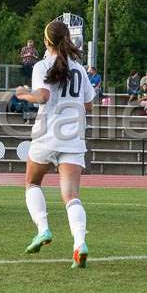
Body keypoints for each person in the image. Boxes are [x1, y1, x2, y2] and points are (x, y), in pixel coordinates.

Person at [15, 20, 95, 269]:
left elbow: (43, 96)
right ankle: (79, 244)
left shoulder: (41, 65)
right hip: (73, 138)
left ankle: (43, 229)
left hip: (47, 134)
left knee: (32, 182)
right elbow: (89, 104)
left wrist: (22, 94)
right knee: (71, 196)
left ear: (46, 41)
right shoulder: (79, 69)